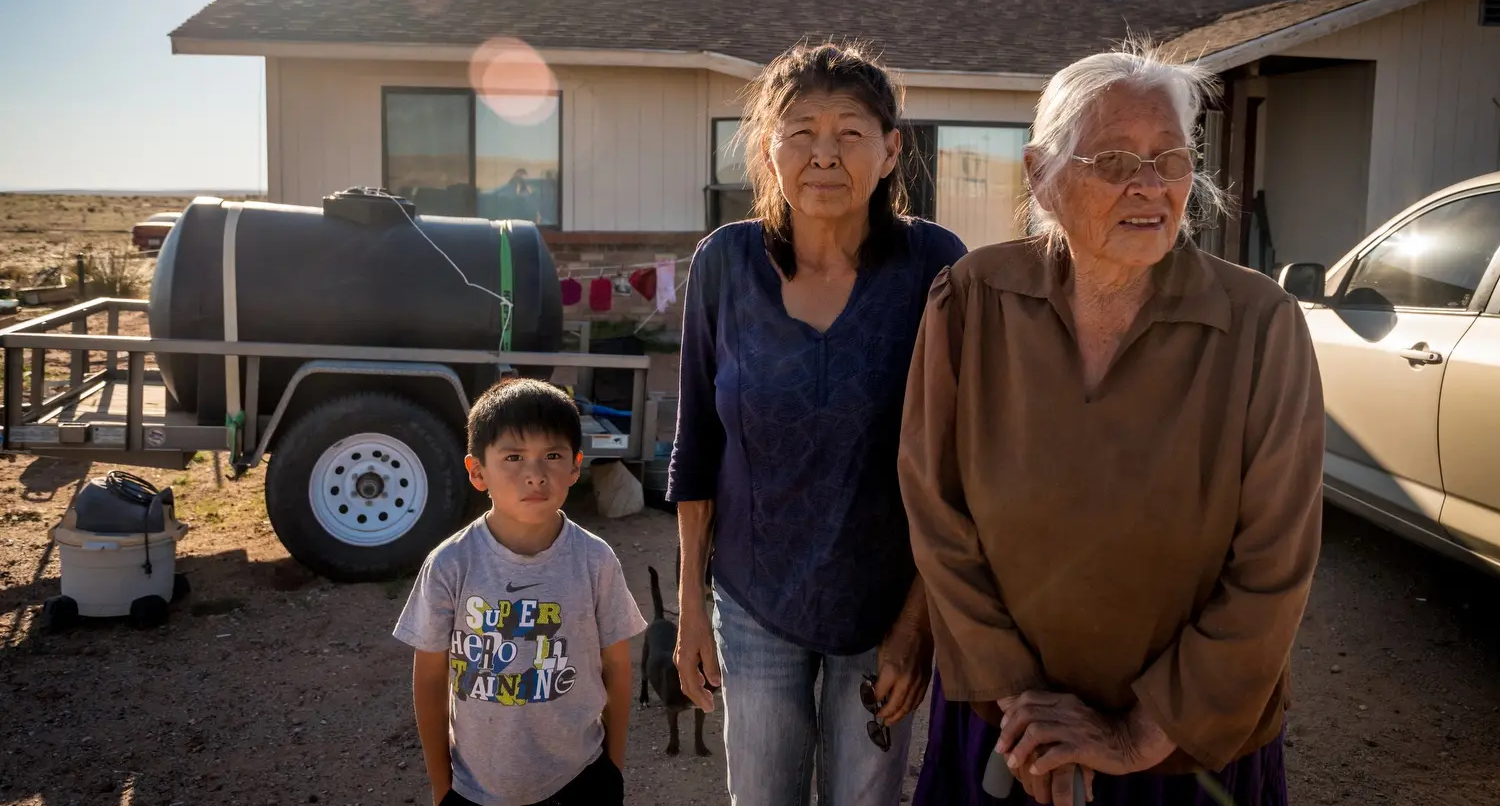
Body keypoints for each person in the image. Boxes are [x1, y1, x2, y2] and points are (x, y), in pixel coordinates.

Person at [898, 47, 1324, 806]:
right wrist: (1022, 705)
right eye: (1117, 159)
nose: (1150, 186)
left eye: (1171, 159)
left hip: (1188, 751)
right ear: (1040, 174)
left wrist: (1138, 734)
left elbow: (1273, 565)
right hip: (1004, 735)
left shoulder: (1261, 324)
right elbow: (936, 512)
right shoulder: (971, 299)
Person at [667, 42, 967, 805]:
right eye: (800, 131)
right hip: (753, 597)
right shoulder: (725, 265)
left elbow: (958, 464)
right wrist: (689, 612)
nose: (824, 155)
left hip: (882, 607)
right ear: (769, 147)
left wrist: (917, 622)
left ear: (892, 148)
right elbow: (697, 447)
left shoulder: (935, 267)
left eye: (850, 133)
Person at [394, 378, 647, 806]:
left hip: (581, 778)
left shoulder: (595, 560)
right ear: (477, 471)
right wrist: (442, 788)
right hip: (476, 788)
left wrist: (613, 769)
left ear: (575, 466)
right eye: (513, 457)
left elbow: (617, 669)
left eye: (552, 455)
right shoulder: (450, 564)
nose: (534, 474)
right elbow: (431, 677)